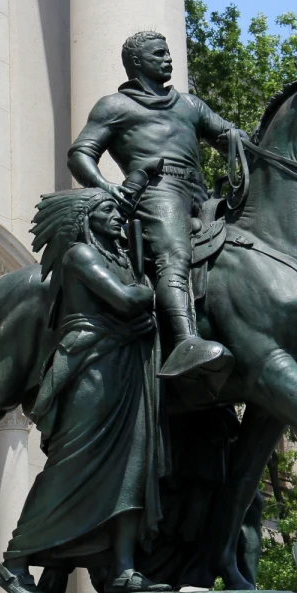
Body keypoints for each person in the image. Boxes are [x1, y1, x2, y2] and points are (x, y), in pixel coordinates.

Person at [0, 188, 172, 593]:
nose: (116, 219)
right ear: (85, 219)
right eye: (106, 211)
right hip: (91, 366)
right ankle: (15, 560)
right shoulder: (81, 256)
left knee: (133, 466)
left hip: (127, 366)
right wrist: (151, 288)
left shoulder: (122, 260)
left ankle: (125, 567)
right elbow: (127, 300)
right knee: (72, 464)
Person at [67, 31, 249, 383]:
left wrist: (250, 142)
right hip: (157, 190)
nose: (169, 59)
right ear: (137, 63)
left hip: (199, 191)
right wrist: (106, 186)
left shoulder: (190, 105)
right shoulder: (115, 106)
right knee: (173, 256)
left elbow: (228, 136)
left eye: (168, 53)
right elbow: (81, 152)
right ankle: (184, 343)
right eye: (159, 54)